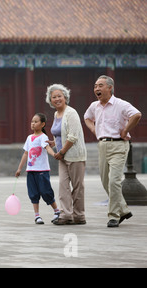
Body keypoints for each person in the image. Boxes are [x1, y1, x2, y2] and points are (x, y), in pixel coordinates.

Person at [84, 75, 142, 227]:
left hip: (119, 145)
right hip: (102, 145)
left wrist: (126, 130)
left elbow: (136, 115)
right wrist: (94, 130)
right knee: (105, 181)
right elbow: (87, 118)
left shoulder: (121, 104)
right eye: (95, 86)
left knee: (114, 181)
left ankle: (114, 215)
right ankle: (123, 209)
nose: (97, 88)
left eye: (100, 85)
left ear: (110, 88)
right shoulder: (94, 106)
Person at [46, 84, 87, 225]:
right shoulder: (56, 114)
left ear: (65, 98)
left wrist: (61, 151)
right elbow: (61, 135)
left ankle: (79, 216)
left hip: (74, 155)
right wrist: (53, 143)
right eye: (54, 97)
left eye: (59, 96)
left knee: (77, 187)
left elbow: (73, 136)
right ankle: (66, 215)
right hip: (62, 156)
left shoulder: (71, 113)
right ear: (50, 100)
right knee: (63, 186)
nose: (57, 99)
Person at [16, 113, 60, 224]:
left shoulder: (43, 137)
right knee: (33, 193)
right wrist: (19, 168)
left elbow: (47, 148)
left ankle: (57, 211)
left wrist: (54, 154)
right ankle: (37, 216)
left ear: (43, 124)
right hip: (31, 171)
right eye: (32, 121)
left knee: (46, 192)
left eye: (36, 122)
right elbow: (25, 154)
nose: (33, 123)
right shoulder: (29, 138)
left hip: (42, 171)